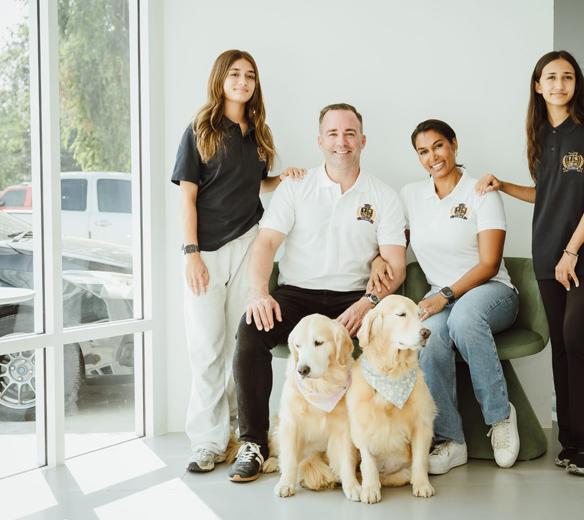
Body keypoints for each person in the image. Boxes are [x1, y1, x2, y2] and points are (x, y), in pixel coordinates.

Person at [228, 103, 407, 483]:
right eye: (333, 134)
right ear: (320, 140)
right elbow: (265, 245)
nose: (341, 142)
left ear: (362, 140)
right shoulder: (295, 187)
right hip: (297, 295)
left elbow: (395, 264)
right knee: (250, 332)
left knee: (391, 338)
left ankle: (380, 447)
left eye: (349, 134)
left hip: (355, 298)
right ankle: (254, 443)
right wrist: (260, 291)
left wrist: (369, 302)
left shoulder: (384, 195)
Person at [476, 50, 584, 476]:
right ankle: (572, 441)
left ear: (577, 84)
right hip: (547, 255)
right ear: (538, 86)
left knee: (577, 339)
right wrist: (502, 186)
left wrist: (572, 250)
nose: (560, 84)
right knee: (560, 346)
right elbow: (547, 194)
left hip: (582, 255)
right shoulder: (541, 134)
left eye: (568, 77)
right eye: (551, 77)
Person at [171, 49, 301, 473]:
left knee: (237, 344)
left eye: (249, 76)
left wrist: (282, 180)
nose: (243, 82)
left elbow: (253, 183)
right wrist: (191, 254)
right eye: (235, 75)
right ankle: (206, 442)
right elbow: (187, 196)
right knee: (206, 347)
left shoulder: (258, 132)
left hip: (249, 243)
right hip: (206, 251)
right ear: (220, 80)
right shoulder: (200, 130)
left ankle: (232, 432)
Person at [385, 119, 521, 475]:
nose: (433, 157)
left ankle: (500, 417)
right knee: (426, 337)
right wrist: (376, 262)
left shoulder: (481, 191)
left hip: (490, 293)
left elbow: (490, 264)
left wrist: (445, 295)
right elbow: (393, 244)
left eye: (439, 146)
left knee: (464, 318)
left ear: (454, 145)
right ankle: (451, 440)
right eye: (423, 151)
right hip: (440, 296)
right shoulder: (411, 195)